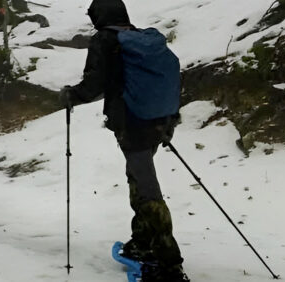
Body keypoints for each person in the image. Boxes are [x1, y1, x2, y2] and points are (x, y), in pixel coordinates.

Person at [59, 0, 189, 281]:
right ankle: (143, 242)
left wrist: (72, 95)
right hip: (158, 122)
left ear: (98, 16)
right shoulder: (139, 38)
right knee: (138, 177)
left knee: (147, 188)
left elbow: (95, 83)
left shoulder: (105, 41)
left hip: (133, 124)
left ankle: (169, 265)